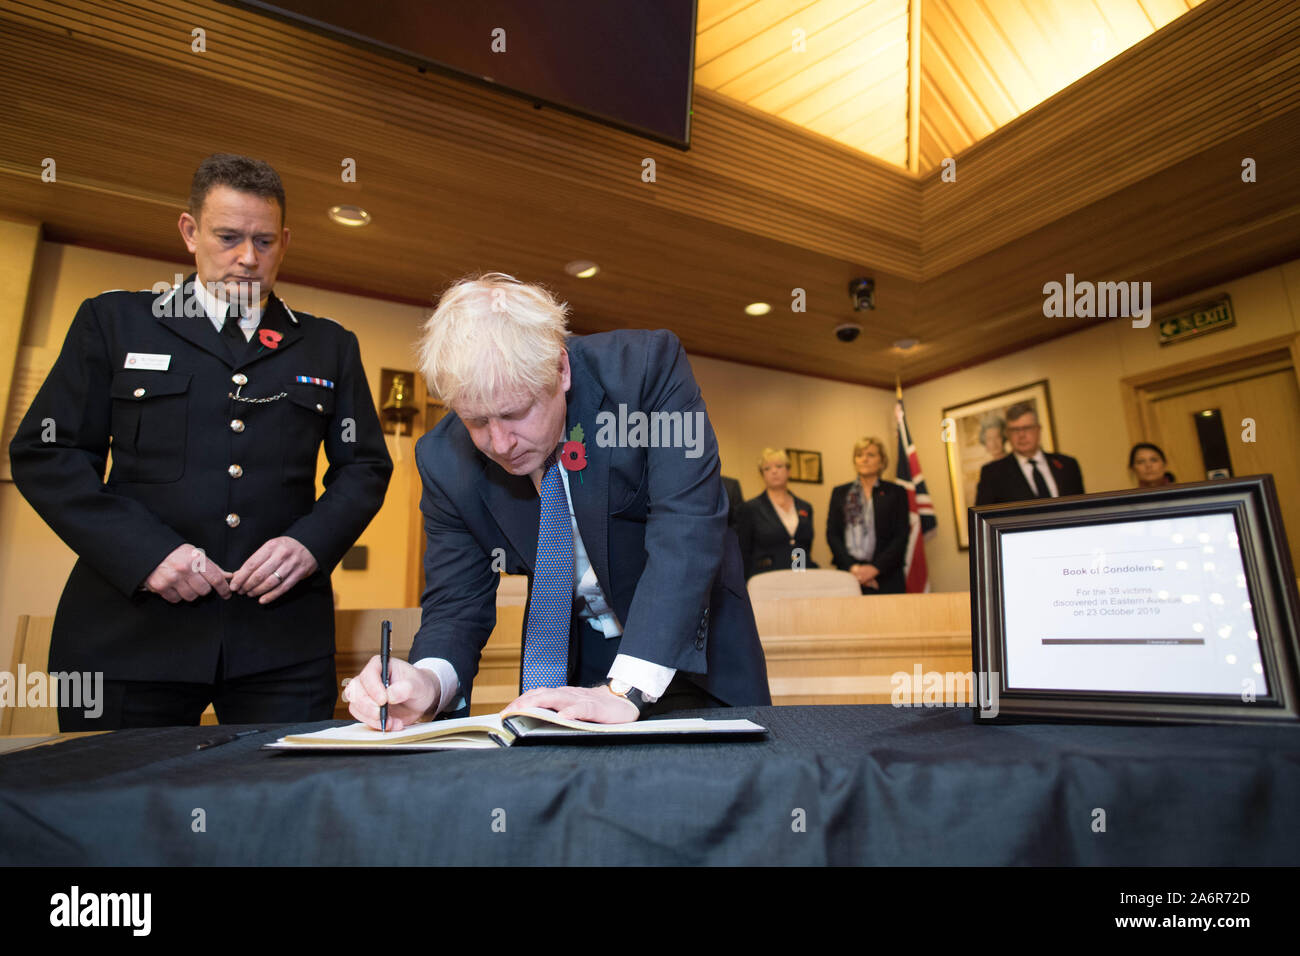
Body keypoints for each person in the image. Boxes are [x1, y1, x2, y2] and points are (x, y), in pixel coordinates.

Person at [8, 154, 393, 730]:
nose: (248, 257)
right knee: (117, 813)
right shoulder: (115, 322)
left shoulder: (328, 346)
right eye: (229, 237)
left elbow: (363, 466)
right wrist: (145, 554)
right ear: (190, 232)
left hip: (279, 642)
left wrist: (311, 544)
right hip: (130, 634)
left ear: (285, 241)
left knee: (274, 809)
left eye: (264, 240)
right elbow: (48, 452)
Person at [343, 274, 769, 728]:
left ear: (560, 370)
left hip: (689, 650)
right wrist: (427, 682)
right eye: (476, 421)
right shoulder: (443, 459)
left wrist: (625, 688)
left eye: (514, 413)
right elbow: (456, 602)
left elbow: (687, 528)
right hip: (576, 667)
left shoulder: (645, 372)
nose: (500, 443)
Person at [826, 437, 910, 593]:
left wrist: (874, 569)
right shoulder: (840, 493)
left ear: (882, 461)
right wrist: (854, 568)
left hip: (887, 576)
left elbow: (901, 535)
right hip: (849, 576)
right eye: (859, 455)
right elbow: (833, 534)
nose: (864, 459)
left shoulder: (896, 493)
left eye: (870, 455)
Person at [974, 402, 1084, 504]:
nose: (1021, 435)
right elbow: (984, 521)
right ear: (1007, 434)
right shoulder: (992, 474)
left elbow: (1082, 510)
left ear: (1038, 430)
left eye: (1027, 428)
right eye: (1015, 430)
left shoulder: (1068, 465)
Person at [736, 449, 817, 578]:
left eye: (779, 466)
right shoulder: (750, 508)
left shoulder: (805, 507)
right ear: (762, 475)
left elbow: (804, 546)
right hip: (766, 578)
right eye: (767, 468)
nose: (774, 471)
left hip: (802, 575)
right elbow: (743, 552)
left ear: (788, 471)